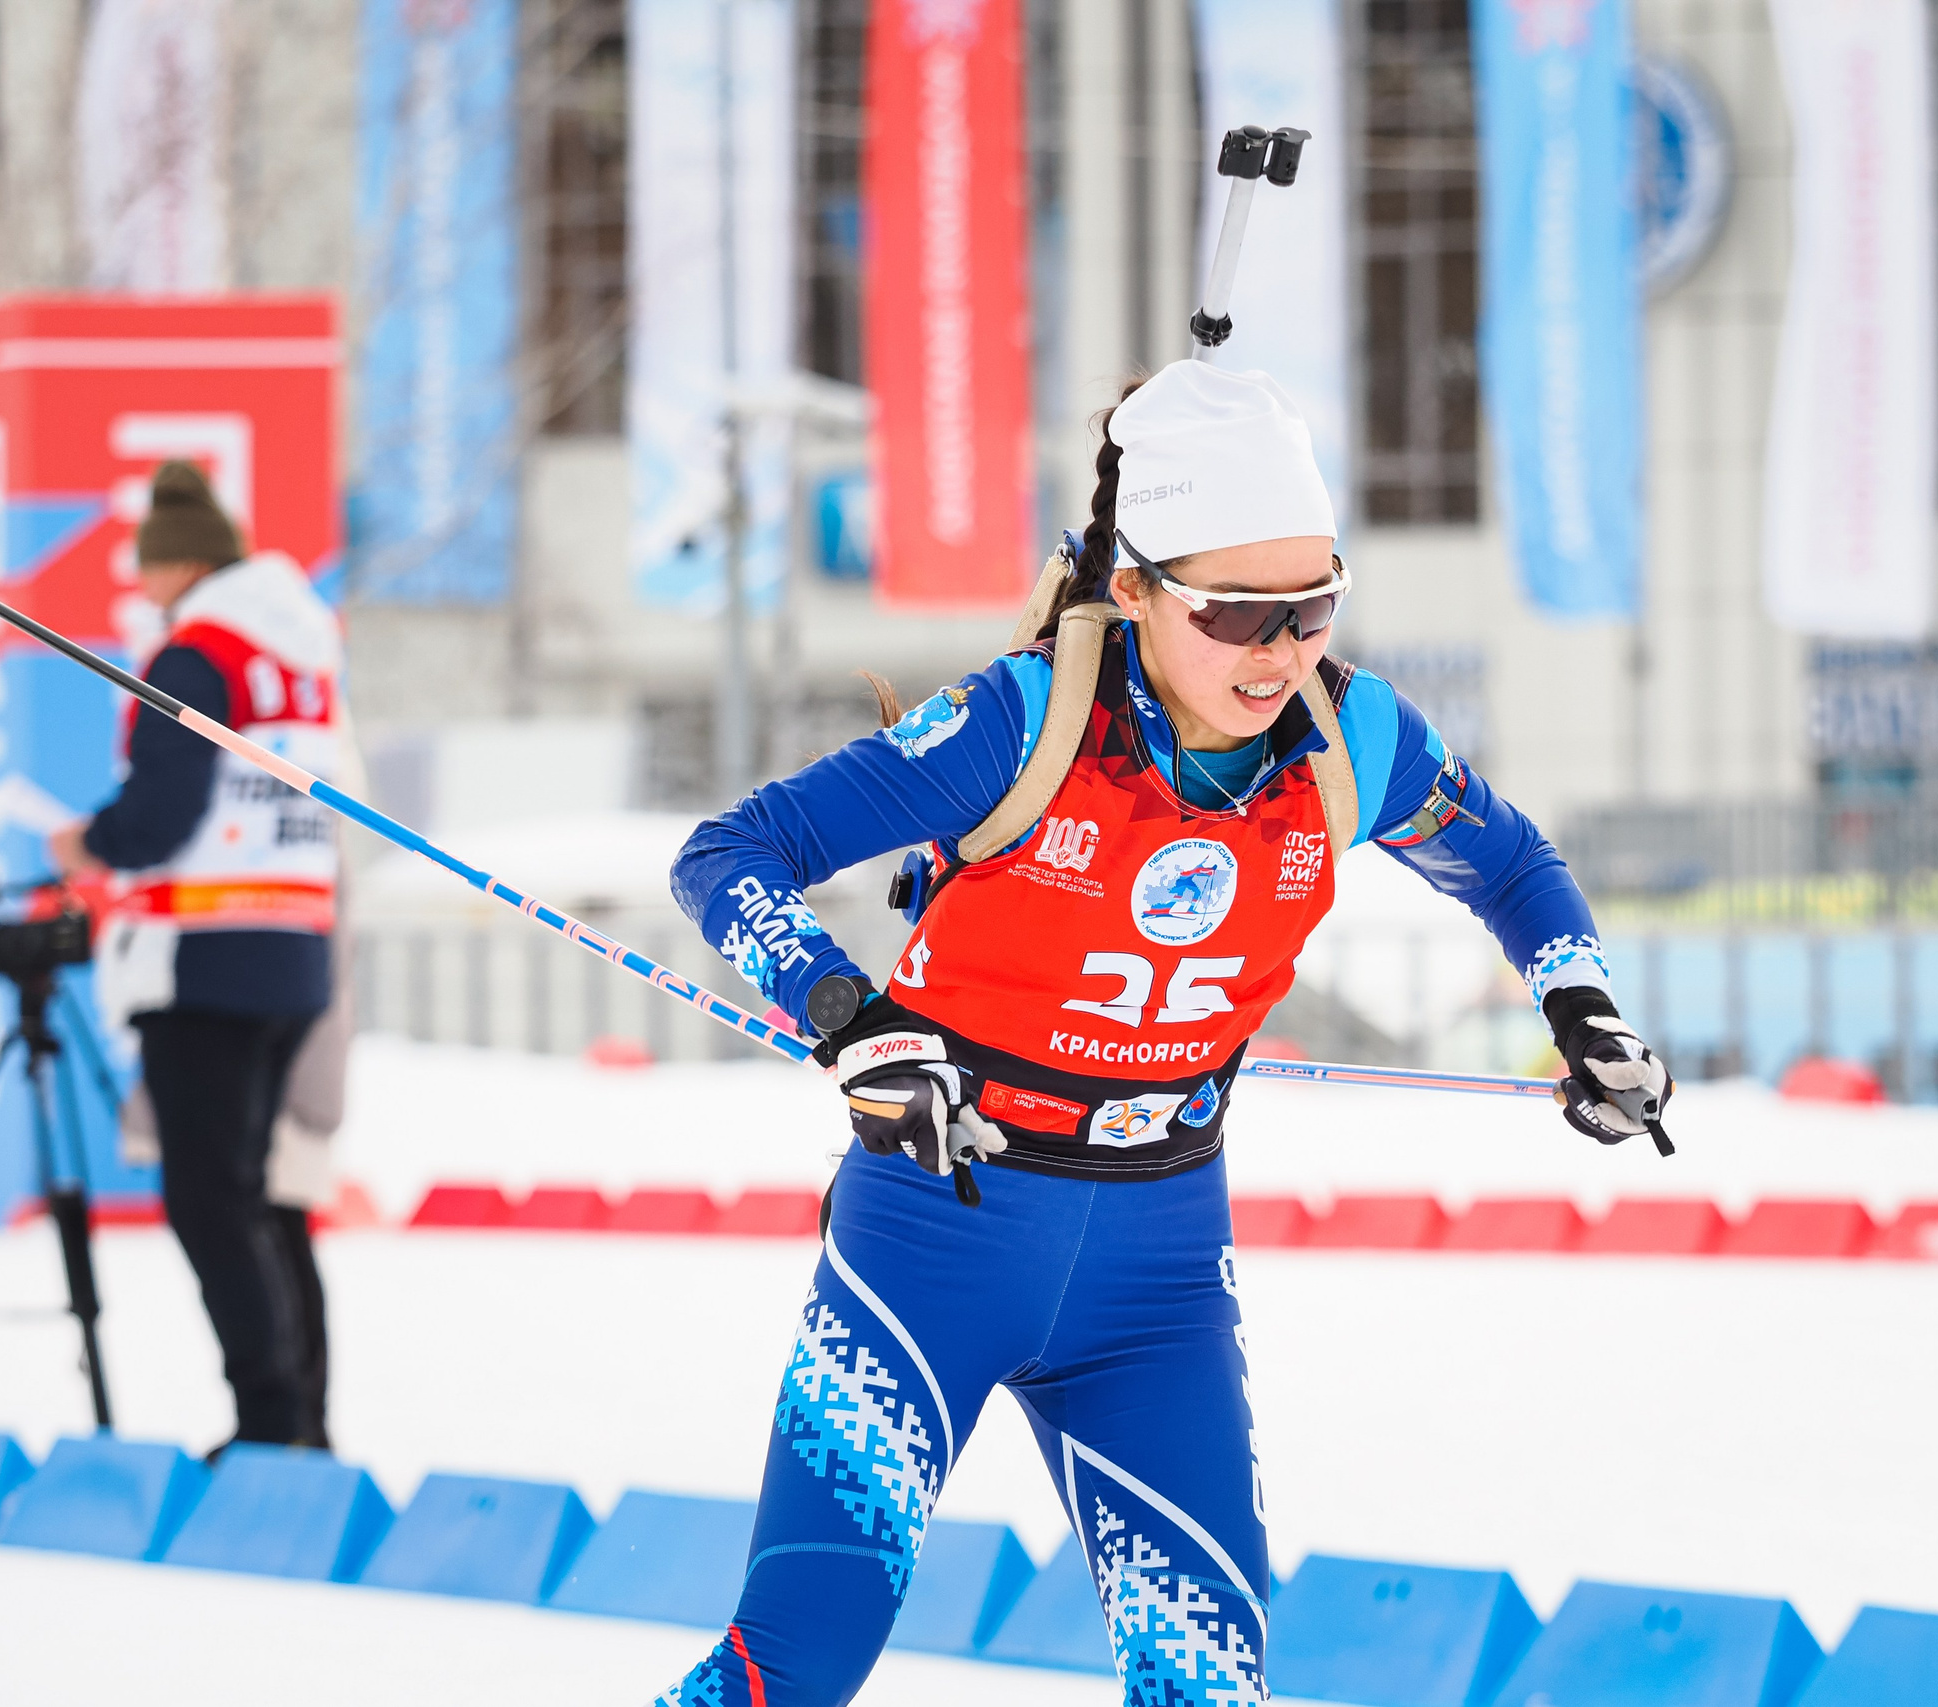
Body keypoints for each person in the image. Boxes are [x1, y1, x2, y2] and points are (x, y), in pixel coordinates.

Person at [656, 363, 1671, 1706]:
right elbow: (730, 856)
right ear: (1132, 590)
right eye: (1237, 611)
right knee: (795, 1666)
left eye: (1312, 604)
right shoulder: (1025, 719)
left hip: (1155, 1276)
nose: (1279, 649)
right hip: (938, 1232)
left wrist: (1582, 1005)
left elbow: (1514, 865)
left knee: (1209, 1683)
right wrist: (853, 1020)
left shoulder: (1351, 736)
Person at [49, 460, 343, 1455]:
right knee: (265, 1197)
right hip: (293, 946)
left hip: (203, 955)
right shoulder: (302, 652)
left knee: (209, 1201)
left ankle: (270, 1426)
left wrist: (88, 842)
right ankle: (299, 1419)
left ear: (176, 565)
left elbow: (161, 813)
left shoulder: (193, 655)